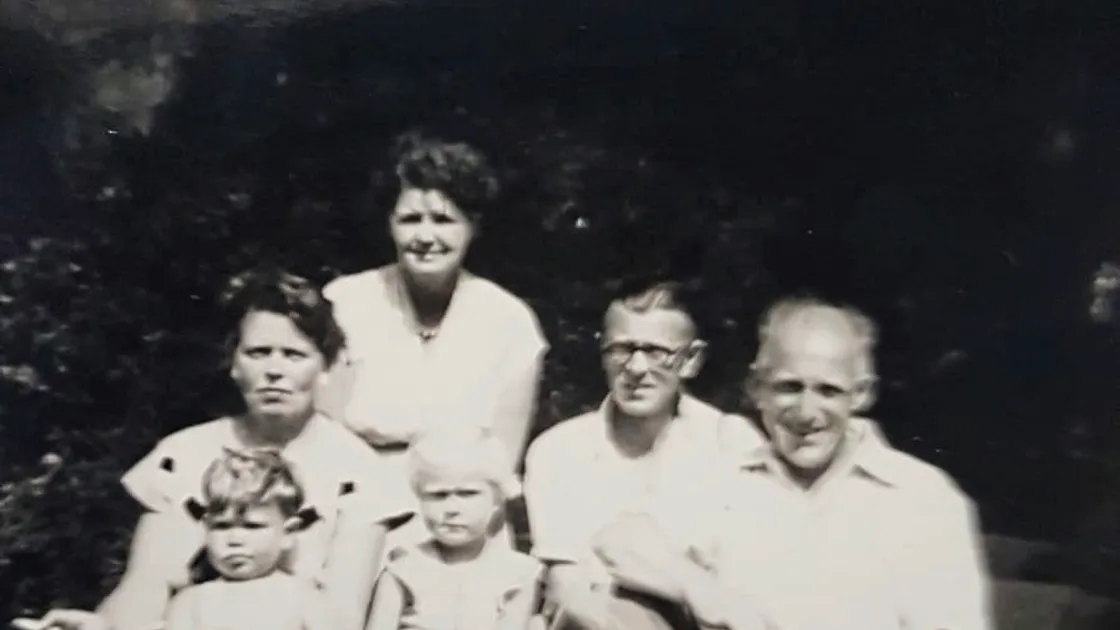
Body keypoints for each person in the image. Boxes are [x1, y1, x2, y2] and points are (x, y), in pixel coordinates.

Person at [17, 268, 412, 630]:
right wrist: (103, 627)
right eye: (258, 353)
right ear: (234, 364)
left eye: (294, 355)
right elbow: (148, 583)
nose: (274, 370)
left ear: (324, 367)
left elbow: (343, 612)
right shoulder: (186, 453)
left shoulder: (357, 469)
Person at [689, 296, 995, 630]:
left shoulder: (924, 500)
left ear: (862, 393)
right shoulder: (717, 488)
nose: (806, 412)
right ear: (756, 388)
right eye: (789, 387)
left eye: (828, 391)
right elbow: (635, 554)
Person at [320, 131, 548, 548]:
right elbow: (324, 437)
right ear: (389, 223)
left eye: (444, 220)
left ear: (472, 226)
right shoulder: (346, 303)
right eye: (410, 219)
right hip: (354, 508)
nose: (426, 237)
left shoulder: (509, 321)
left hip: (465, 515)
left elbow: (501, 459)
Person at [521, 277, 767, 630]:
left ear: (691, 360)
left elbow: (744, 585)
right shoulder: (558, 451)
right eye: (621, 349)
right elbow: (568, 590)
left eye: (656, 352)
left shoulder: (731, 444)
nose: (636, 369)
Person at [364, 426, 544, 630]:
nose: (451, 509)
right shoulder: (403, 570)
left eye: (468, 494)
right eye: (438, 495)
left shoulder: (517, 574)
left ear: (497, 499)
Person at [164, 448, 332, 630]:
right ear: (206, 528)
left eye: (252, 526)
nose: (235, 540)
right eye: (222, 526)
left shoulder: (302, 598)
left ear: (288, 533)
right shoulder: (192, 603)